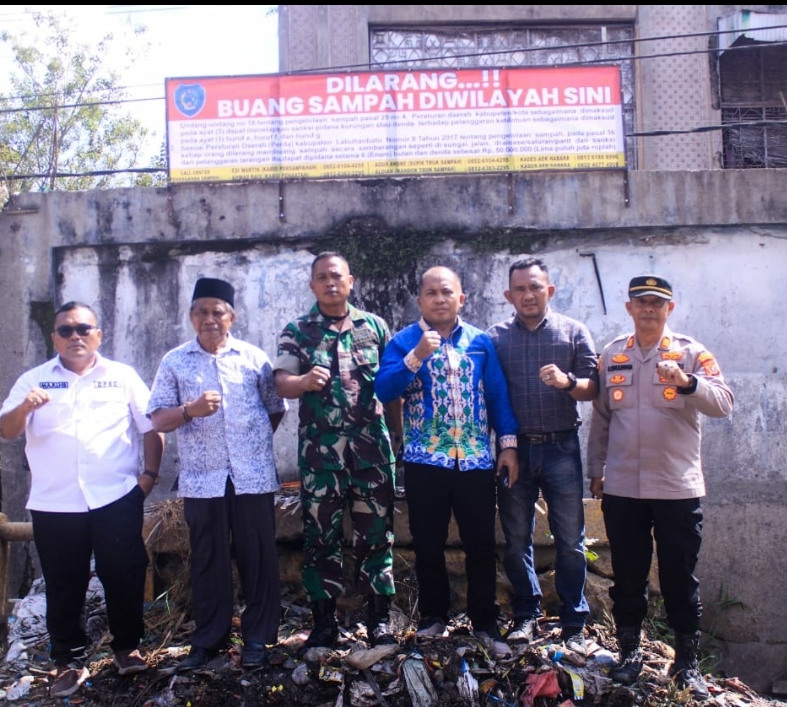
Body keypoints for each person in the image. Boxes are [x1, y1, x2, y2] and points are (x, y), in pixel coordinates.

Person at [0, 302, 164, 698]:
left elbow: (152, 426)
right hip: (56, 504)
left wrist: (149, 478)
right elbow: (6, 430)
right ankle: (68, 662)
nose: (76, 336)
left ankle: (127, 648)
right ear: (54, 337)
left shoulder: (122, 377)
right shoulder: (34, 381)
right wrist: (25, 407)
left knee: (124, 574)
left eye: (83, 329)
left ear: (98, 335)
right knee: (62, 584)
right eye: (66, 330)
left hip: (116, 498)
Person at [586, 275, 734, 698]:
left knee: (678, 576)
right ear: (629, 308)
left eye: (657, 303)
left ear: (670, 309)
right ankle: (629, 653)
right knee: (628, 575)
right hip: (623, 487)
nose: (649, 309)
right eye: (641, 302)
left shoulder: (691, 352)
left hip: (676, 487)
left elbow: (724, 402)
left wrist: (689, 383)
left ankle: (686, 663)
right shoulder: (612, 355)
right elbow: (601, 417)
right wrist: (596, 467)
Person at [375, 266, 519, 658]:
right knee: (428, 544)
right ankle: (434, 617)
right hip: (425, 462)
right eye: (431, 293)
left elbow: (497, 395)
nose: (439, 298)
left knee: (480, 543)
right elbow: (384, 388)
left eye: (447, 292)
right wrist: (416, 357)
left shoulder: (480, 342)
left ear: (461, 298)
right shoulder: (404, 340)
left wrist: (507, 445)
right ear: (420, 300)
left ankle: (485, 623)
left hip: (474, 461)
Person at [147, 277, 286, 670]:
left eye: (218, 312)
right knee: (208, 559)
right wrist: (190, 410)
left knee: (258, 557)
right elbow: (158, 417)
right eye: (202, 312)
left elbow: (274, 410)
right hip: (202, 478)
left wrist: (248, 446)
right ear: (192, 316)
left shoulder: (253, 358)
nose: (210, 319)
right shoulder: (174, 361)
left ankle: (258, 638)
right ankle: (209, 639)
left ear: (232, 317)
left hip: (252, 476)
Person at [274, 252, 399, 648]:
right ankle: (325, 624)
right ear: (312, 285)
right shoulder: (298, 330)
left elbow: (392, 386)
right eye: (322, 277)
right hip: (320, 459)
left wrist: (397, 436)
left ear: (351, 281)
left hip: (373, 455)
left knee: (376, 536)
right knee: (321, 539)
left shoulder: (375, 327)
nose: (330, 283)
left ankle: (378, 620)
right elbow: (280, 383)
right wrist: (304, 380)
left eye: (337, 276)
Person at [487, 258, 598, 648]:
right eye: (520, 289)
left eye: (535, 287)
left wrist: (568, 382)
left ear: (549, 290)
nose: (528, 295)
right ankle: (526, 613)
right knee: (517, 540)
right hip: (514, 450)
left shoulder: (573, 332)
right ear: (508, 295)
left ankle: (573, 622)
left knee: (570, 539)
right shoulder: (496, 338)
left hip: (561, 448)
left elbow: (593, 387)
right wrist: (505, 445)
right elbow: (490, 396)